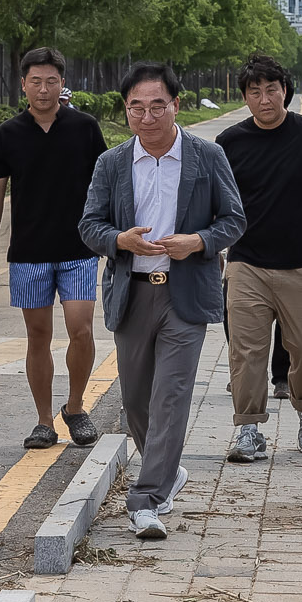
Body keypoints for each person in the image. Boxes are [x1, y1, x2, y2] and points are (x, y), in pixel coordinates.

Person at [77, 62, 246, 539]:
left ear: (176, 104)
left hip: (185, 294)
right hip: (133, 292)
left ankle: (146, 499)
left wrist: (198, 241)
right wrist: (121, 241)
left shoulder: (206, 157)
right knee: (134, 398)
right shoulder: (111, 163)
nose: (147, 116)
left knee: (170, 396)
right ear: (126, 110)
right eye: (137, 107)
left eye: (157, 106)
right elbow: (90, 225)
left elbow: (234, 220)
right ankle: (167, 471)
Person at [0, 47, 110, 449]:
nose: (43, 88)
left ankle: (75, 407)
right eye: (35, 81)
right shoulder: (8, 133)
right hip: (29, 252)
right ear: (23, 85)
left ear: (62, 83)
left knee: (82, 329)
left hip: (79, 249)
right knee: (38, 336)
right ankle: (42, 421)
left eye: (51, 80)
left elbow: (106, 182)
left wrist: (110, 233)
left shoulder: (85, 127)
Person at [215, 53, 302, 460]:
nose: (265, 99)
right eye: (255, 92)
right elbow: (216, 199)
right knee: (246, 350)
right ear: (244, 98)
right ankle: (249, 430)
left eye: (272, 90)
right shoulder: (229, 143)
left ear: (285, 91)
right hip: (246, 262)